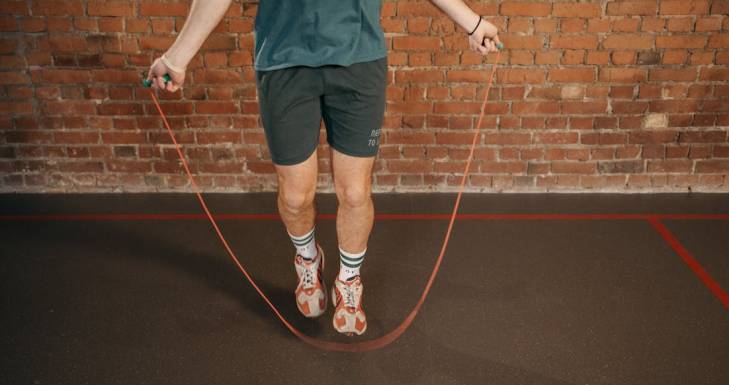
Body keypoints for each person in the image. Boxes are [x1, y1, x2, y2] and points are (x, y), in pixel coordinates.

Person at [147, 0, 502, 336]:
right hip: (283, 62)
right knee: (295, 197)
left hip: (359, 62)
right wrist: (177, 58)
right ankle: (308, 259)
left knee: (355, 192)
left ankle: (349, 279)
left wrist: (472, 23)